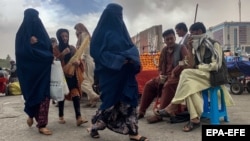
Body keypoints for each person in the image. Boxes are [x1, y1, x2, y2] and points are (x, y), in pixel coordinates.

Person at [156, 22, 234, 132]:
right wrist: (190, 48)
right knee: (188, 84)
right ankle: (194, 119)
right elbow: (190, 64)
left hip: (214, 76)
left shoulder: (213, 44)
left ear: (199, 32)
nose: (190, 36)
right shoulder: (196, 46)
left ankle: (174, 105)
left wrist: (198, 67)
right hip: (200, 76)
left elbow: (215, 66)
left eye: (192, 33)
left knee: (186, 74)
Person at [88, 3, 149, 141]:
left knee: (130, 103)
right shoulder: (100, 33)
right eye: (116, 15)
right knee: (109, 105)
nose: (119, 18)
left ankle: (133, 133)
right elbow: (96, 52)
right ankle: (94, 127)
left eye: (121, 15)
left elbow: (131, 48)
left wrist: (132, 59)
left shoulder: (123, 32)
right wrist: (119, 60)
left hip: (126, 75)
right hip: (110, 76)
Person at [137, 29, 191, 124]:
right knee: (149, 85)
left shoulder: (181, 48)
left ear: (175, 38)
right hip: (165, 76)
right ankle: (141, 111)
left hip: (178, 77)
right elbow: (160, 66)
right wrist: (161, 74)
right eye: (167, 39)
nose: (170, 41)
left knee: (168, 85)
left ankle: (160, 114)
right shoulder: (164, 50)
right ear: (164, 41)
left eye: (171, 38)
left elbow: (186, 61)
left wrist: (176, 69)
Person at [15, 8, 54, 135]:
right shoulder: (21, 35)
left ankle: (42, 124)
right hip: (29, 73)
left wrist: (37, 46)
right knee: (31, 95)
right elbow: (20, 53)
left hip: (43, 72)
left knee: (44, 96)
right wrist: (28, 43)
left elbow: (48, 50)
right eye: (30, 18)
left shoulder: (42, 34)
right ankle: (31, 114)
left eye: (35, 18)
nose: (33, 21)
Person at [53, 28, 88, 126]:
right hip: (61, 76)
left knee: (75, 94)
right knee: (61, 96)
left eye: (66, 36)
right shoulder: (55, 49)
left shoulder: (72, 48)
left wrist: (78, 63)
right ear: (59, 37)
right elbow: (53, 62)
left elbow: (79, 59)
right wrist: (62, 54)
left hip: (72, 75)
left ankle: (79, 117)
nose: (65, 38)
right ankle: (61, 116)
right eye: (62, 36)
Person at [74, 23, 99, 108]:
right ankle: (92, 100)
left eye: (76, 29)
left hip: (85, 60)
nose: (76, 32)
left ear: (80, 28)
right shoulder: (87, 35)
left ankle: (93, 95)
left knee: (82, 80)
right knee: (89, 80)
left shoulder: (84, 35)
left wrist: (83, 59)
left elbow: (85, 47)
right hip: (90, 60)